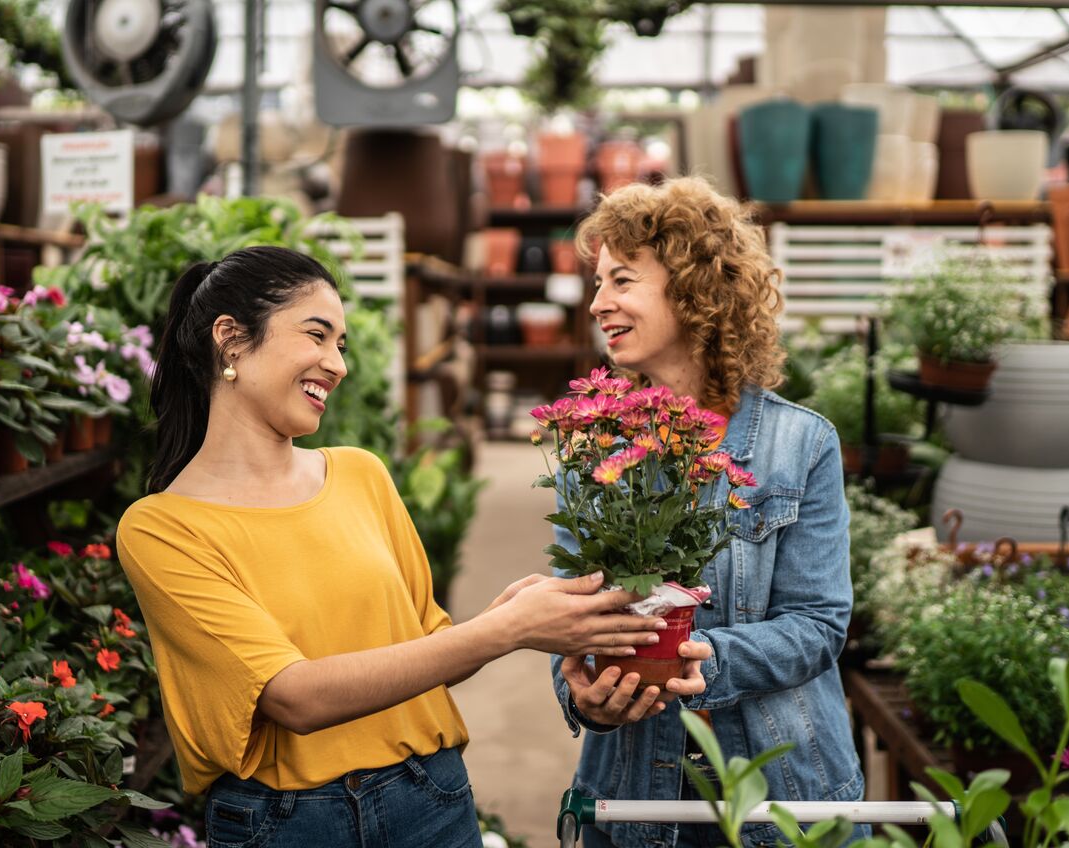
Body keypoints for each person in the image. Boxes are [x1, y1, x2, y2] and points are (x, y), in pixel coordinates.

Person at [115, 245, 674, 848]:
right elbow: (293, 696)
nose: (337, 364)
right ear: (231, 339)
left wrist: (512, 614)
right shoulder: (163, 528)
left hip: (429, 799)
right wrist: (507, 630)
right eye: (317, 335)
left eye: (342, 345)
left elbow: (427, 652)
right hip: (288, 826)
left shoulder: (360, 475)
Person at [549, 178, 867, 848]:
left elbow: (818, 625)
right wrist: (583, 691)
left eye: (623, 280)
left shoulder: (798, 444)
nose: (599, 303)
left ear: (696, 291)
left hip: (781, 799)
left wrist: (705, 660)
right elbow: (570, 608)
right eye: (598, 282)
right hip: (634, 795)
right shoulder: (590, 443)